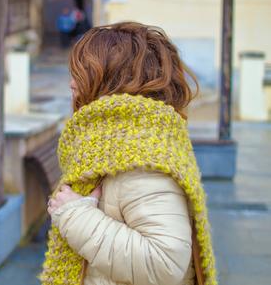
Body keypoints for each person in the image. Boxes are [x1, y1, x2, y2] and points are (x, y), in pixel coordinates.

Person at [39, 22, 218, 285]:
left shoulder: (140, 156)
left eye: (82, 72)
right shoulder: (119, 144)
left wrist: (76, 215)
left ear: (112, 78)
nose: (71, 84)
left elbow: (165, 263)